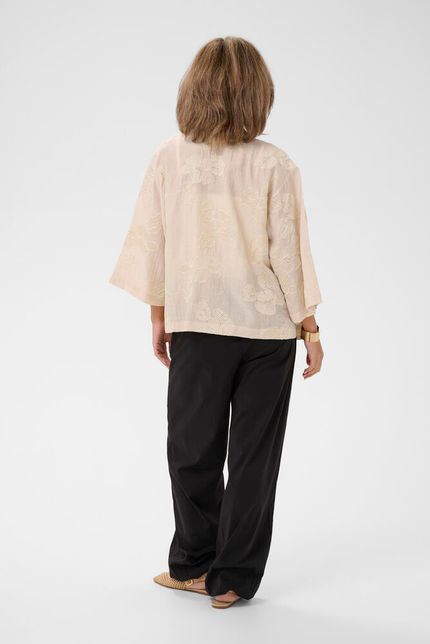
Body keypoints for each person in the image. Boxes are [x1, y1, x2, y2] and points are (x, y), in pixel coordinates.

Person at [109, 36, 324, 609]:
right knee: (254, 458)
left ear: (194, 89)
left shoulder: (170, 156)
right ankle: (230, 579)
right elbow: (290, 254)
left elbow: (153, 242)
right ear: (259, 93)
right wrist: (310, 328)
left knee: (191, 450)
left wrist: (159, 317)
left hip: (199, 326)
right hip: (269, 333)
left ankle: (195, 564)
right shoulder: (275, 163)